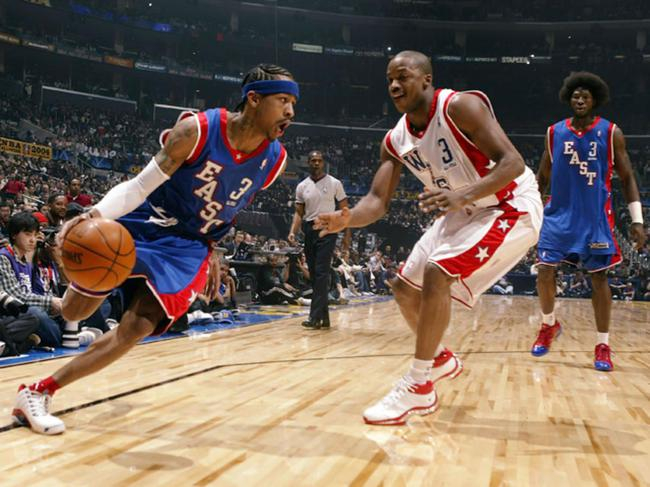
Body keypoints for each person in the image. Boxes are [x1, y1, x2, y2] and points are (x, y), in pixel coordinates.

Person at [12, 63, 298, 435]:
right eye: (283, 100)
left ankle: (39, 391)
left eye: (293, 103)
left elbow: (227, 205)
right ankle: (71, 298)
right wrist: (93, 215)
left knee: (138, 326)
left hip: (188, 246)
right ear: (254, 99)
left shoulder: (275, 160)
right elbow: (138, 187)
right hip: (147, 219)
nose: (290, 111)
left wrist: (213, 249)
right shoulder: (197, 131)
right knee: (72, 310)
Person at [315, 50, 542, 425]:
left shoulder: (460, 107)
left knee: (438, 271)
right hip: (464, 208)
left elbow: (513, 163)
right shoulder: (395, 140)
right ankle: (439, 359)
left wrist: (462, 195)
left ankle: (419, 386)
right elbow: (377, 201)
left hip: (509, 205)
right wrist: (348, 218)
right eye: (389, 79)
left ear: (426, 79)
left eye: (402, 76)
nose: (394, 85)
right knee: (404, 288)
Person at [531, 72, 646, 371]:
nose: (579, 100)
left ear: (595, 100)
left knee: (599, 279)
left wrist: (637, 220)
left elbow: (627, 177)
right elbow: (541, 177)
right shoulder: (554, 132)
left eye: (585, 96)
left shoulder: (610, 132)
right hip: (558, 216)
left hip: (594, 218)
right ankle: (548, 324)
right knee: (544, 269)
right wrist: (530, 210)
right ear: (568, 99)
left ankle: (602, 344)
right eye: (575, 96)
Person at [288, 150, 348, 329]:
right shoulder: (302, 186)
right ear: (308, 162)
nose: (316, 163)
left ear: (323, 163)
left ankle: (314, 318)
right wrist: (293, 231)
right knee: (315, 275)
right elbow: (299, 213)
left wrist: (347, 235)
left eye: (319, 160)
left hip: (327, 229)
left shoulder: (335, 183)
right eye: (313, 160)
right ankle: (325, 317)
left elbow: (345, 211)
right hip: (309, 229)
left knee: (321, 272)